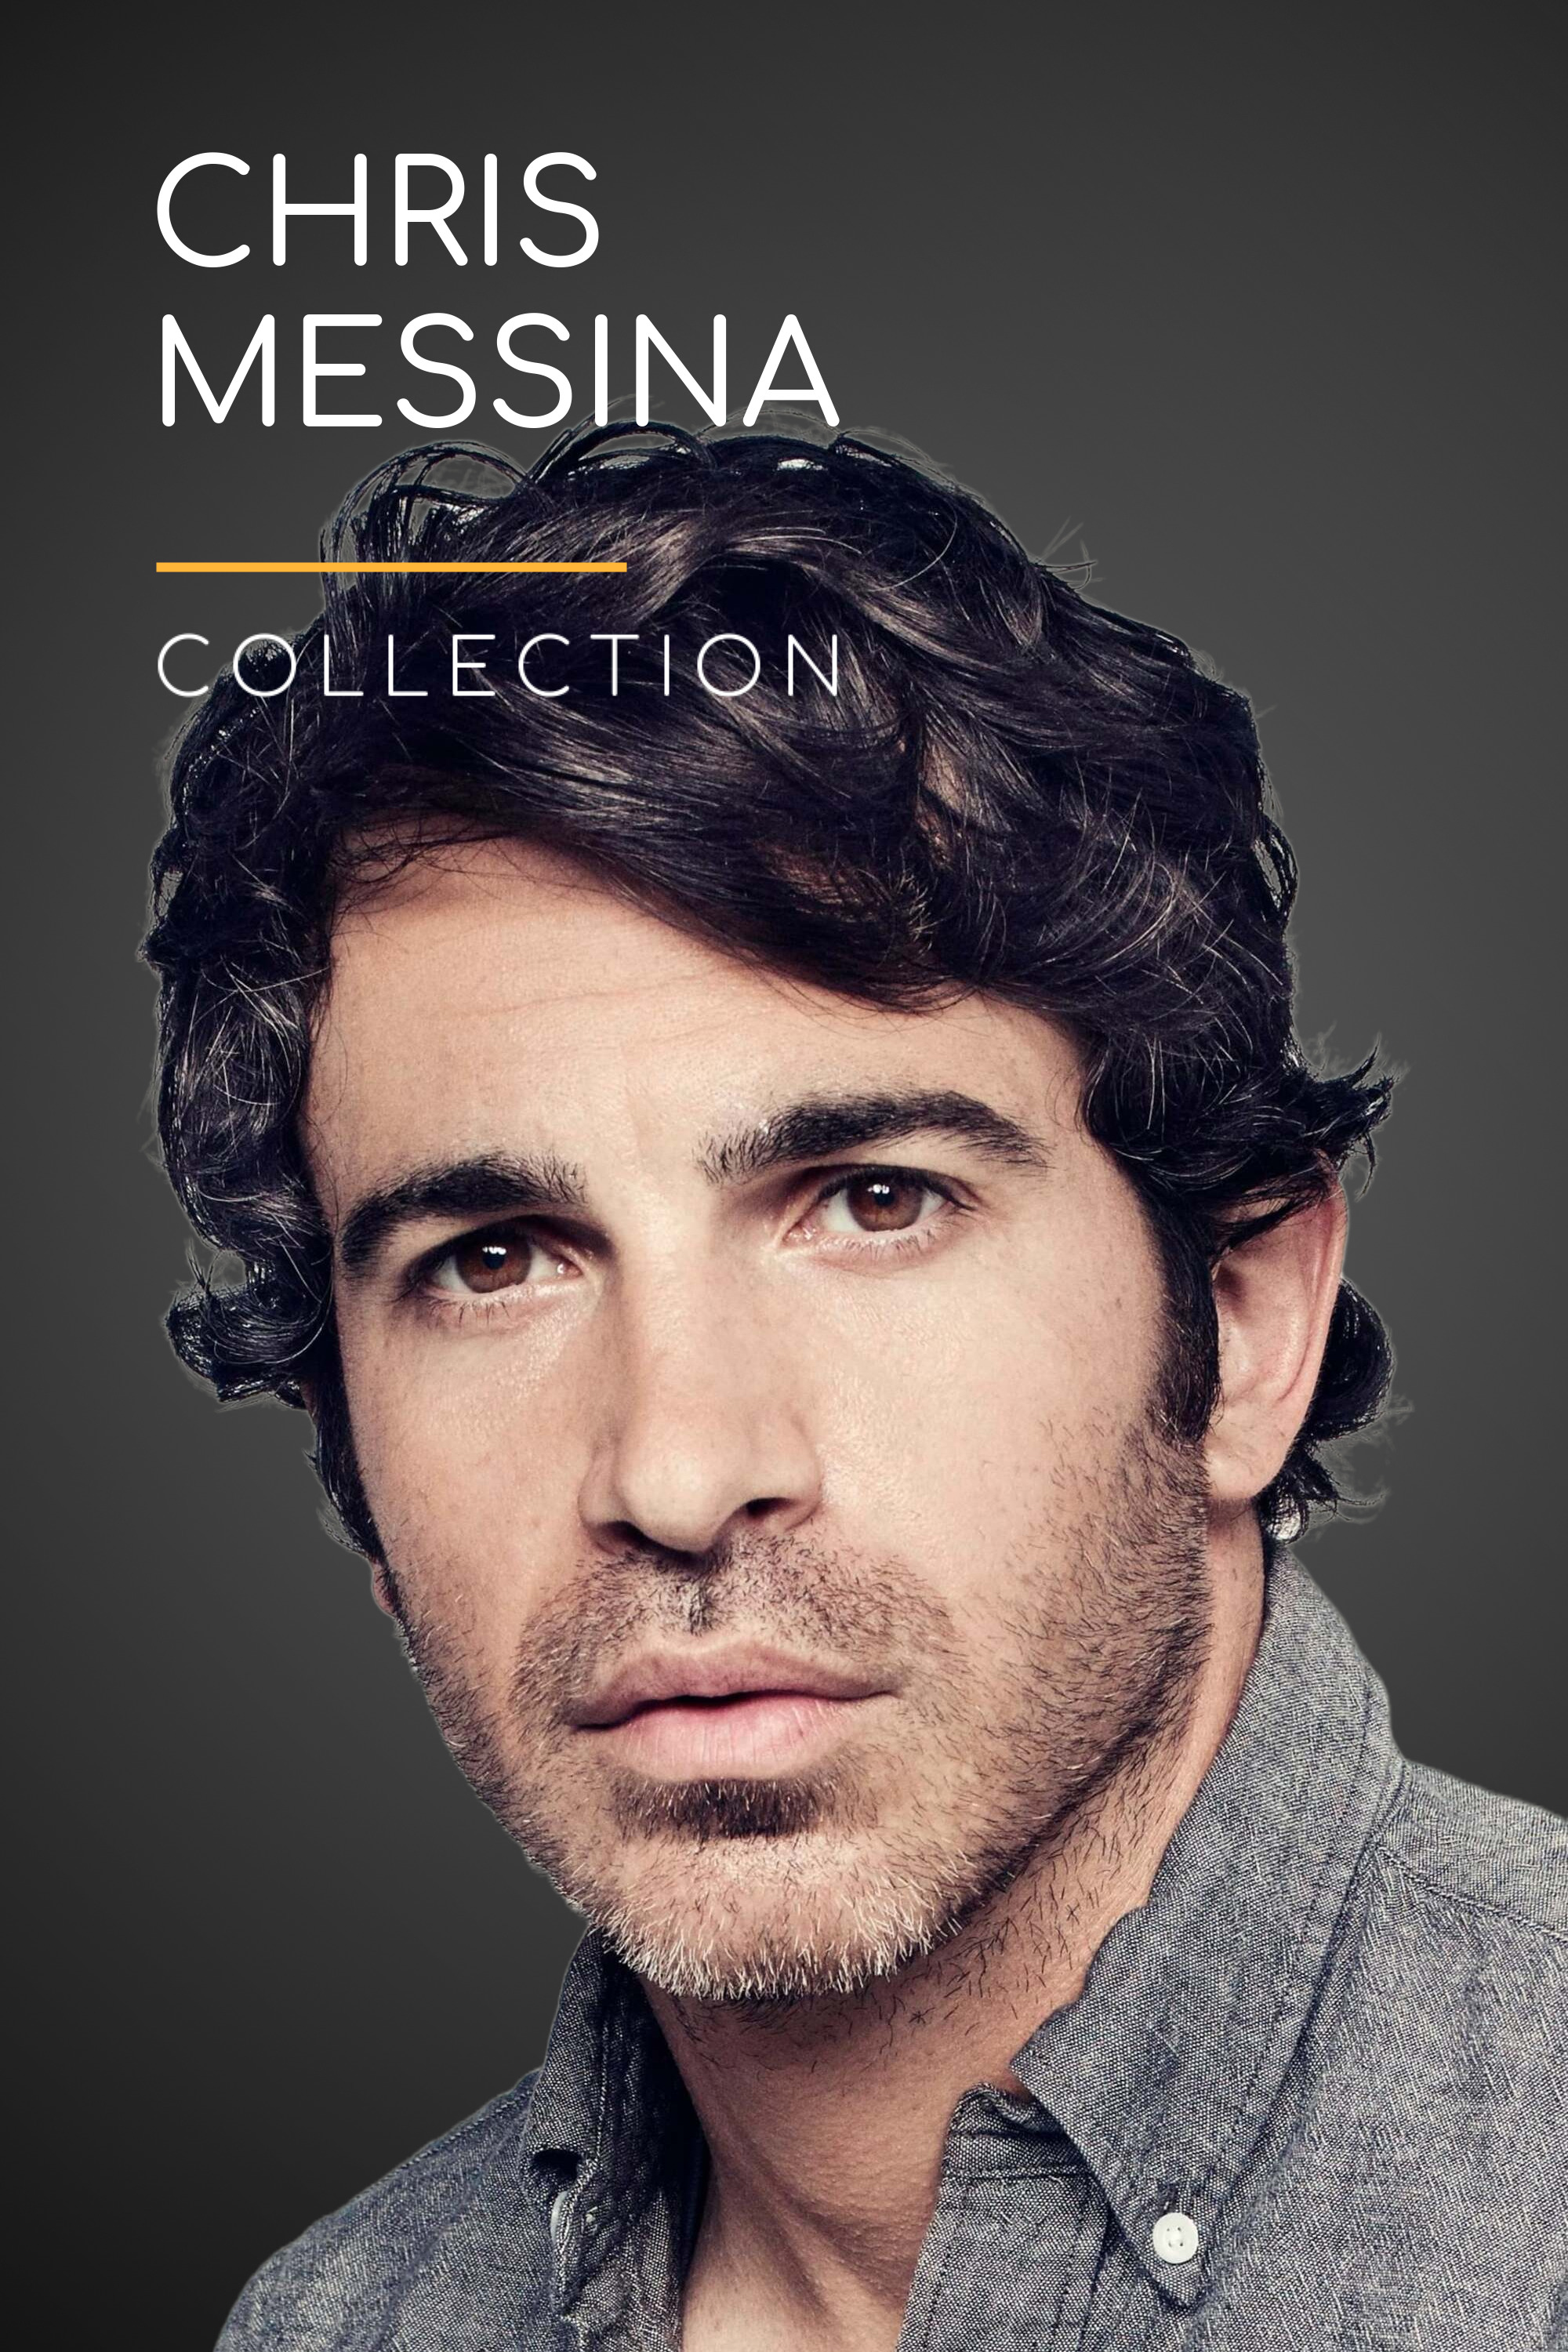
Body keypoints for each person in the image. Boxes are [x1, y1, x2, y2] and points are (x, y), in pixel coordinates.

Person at [145, 423, 1566, 2351]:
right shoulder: (340, 2328)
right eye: (494, 1261)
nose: (678, 1470)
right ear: (348, 1459)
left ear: (1239, 1324)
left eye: (872, 1200)